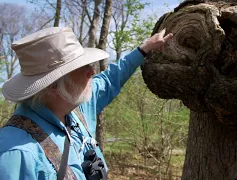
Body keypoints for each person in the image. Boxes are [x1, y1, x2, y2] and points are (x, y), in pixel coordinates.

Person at [0, 27, 173, 179]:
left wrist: (144, 49)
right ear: (53, 84)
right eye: (81, 67)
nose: (92, 71)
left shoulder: (75, 105)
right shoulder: (15, 153)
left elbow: (110, 78)